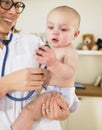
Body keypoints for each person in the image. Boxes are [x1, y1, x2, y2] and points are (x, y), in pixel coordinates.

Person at [0, 0, 70, 130]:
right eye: (5, 2)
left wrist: (64, 108)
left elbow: (63, 89)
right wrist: (6, 84)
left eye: (17, 5)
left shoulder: (33, 43)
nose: (13, 11)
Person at [35, 5, 80, 112]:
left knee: (29, 110)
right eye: (51, 27)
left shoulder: (69, 51)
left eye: (63, 29)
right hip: (48, 90)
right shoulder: (51, 49)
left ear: (75, 34)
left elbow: (69, 73)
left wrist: (54, 64)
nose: (55, 32)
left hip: (60, 93)